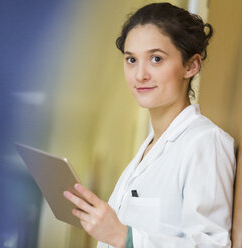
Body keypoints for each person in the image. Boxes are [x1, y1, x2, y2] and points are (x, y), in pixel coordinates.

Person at [63, 2, 236, 248]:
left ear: (191, 65)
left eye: (156, 59)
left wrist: (124, 237)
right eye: (131, 59)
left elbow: (212, 245)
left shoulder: (206, 143)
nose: (140, 74)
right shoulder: (150, 147)